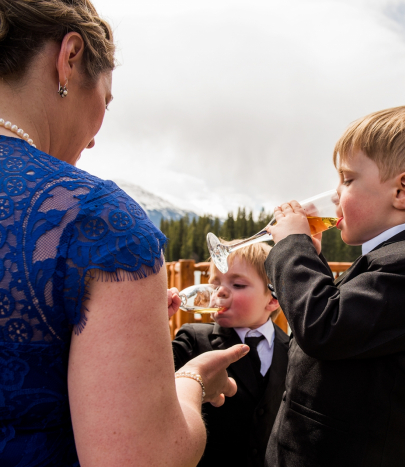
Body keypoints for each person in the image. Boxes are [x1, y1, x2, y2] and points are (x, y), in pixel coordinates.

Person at [0, 1, 248, 466]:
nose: (94, 138)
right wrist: (190, 382)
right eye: (105, 100)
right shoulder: (97, 222)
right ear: (68, 58)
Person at [264, 104, 405, 466]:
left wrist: (292, 249)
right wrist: (307, 263)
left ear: (403, 191)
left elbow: (323, 326)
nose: (335, 195)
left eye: (347, 179)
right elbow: (341, 330)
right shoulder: (397, 255)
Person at [171, 243, 289, 467]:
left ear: (274, 298)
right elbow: (147, 377)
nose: (220, 292)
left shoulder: (292, 350)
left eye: (237, 284)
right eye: (215, 284)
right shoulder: (193, 339)